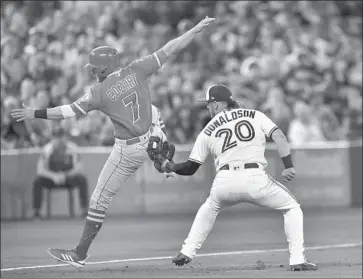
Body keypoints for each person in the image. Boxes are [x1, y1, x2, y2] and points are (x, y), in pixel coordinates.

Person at [11, 16, 215, 268]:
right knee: (153, 111)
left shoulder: (99, 92)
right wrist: (194, 29)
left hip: (128, 149)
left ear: (103, 69)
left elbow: (67, 111)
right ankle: (164, 159)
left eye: (94, 67)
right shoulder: (138, 68)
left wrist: (35, 113)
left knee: (99, 199)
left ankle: (80, 254)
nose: (92, 70)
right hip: (150, 136)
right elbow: (171, 48)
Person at [151, 84, 318, 271]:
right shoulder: (255, 115)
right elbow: (279, 135)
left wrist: (168, 166)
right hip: (255, 178)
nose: (207, 108)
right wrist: (288, 166)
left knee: (210, 206)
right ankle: (297, 259)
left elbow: (190, 168)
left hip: (224, 182)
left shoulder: (208, 129)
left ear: (217, 105)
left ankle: (187, 251)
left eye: (208, 104)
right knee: (292, 207)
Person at [33, 126, 89, 219]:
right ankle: (36, 212)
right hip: (52, 178)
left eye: (61, 136)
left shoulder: (73, 148)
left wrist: (66, 175)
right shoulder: (47, 149)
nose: (59, 139)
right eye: (56, 137)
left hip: (68, 177)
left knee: (82, 179)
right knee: (37, 181)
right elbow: (40, 170)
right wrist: (53, 176)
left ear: (66, 137)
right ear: (53, 138)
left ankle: (84, 210)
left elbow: (79, 168)